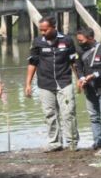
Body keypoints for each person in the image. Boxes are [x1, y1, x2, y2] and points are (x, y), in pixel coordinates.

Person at [25, 16, 80, 152]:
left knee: (68, 113)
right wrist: (28, 84)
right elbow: (32, 63)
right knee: (49, 114)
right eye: (41, 30)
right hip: (45, 83)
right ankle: (54, 143)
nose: (43, 33)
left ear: (54, 27)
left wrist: (79, 79)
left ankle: (72, 143)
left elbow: (73, 62)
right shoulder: (37, 42)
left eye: (45, 30)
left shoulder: (67, 40)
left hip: (64, 82)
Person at [75, 27, 101, 150]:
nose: (79, 43)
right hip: (89, 89)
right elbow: (78, 67)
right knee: (93, 116)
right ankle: (98, 141)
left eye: (81, 40)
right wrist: (81, 78)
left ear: (90, 38)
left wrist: (94, 75)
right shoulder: (79, 50)